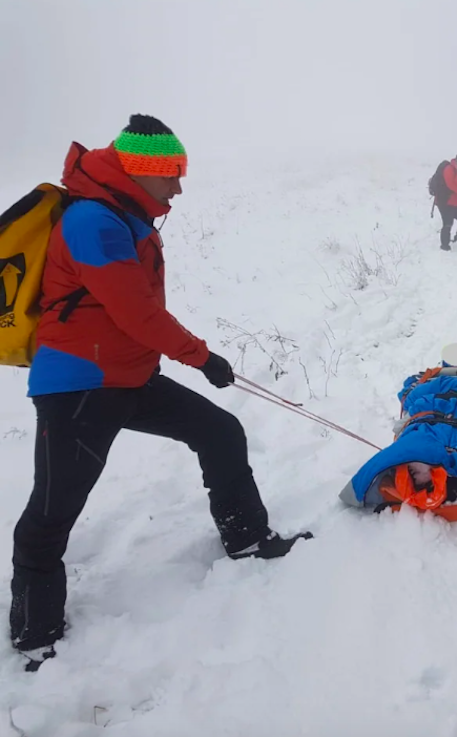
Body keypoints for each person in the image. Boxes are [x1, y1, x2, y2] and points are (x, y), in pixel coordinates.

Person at [9, 114, 312, 669]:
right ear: (139, 171)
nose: (178, 186)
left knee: (220, 431)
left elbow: (132, 317)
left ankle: (247, 538)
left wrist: (185, 358)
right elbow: (134, 311)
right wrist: (201, 357)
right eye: (171, 174)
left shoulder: (120, 217)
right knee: (54, 508)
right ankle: (34, 630)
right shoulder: (92, 221)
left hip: (127, 376)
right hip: (78, 384)